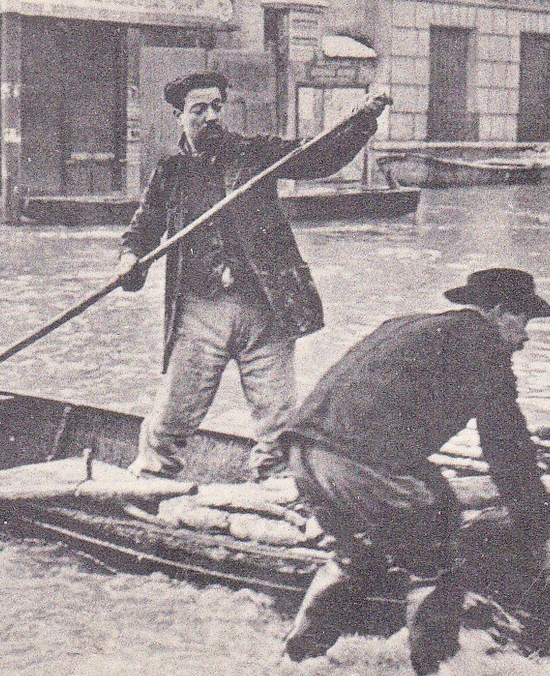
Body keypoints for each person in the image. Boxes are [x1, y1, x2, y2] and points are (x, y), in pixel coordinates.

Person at [280, 268, 550, 676]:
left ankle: (298, 660)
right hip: (359, 462)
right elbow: (507, 448)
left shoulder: (409, 326)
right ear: (499, 313)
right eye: (523, 322)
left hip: (303, 451)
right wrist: (540, 537)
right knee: (438, 563)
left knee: (358, 556)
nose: (525, 338)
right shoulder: (483, 345)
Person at [116, 72, 390, 480]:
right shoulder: (170, 171)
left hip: (266, 308)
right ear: (179, 116)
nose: (210, 116)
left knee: (278, 424)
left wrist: (365, 117)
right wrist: (129, 258)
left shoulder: (254, 154)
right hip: (200, 313)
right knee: (170, 419)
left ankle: (278, 494)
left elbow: (321, 157)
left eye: (216, 107)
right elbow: (144, 228)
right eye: (198, 109)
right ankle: (150, 482)